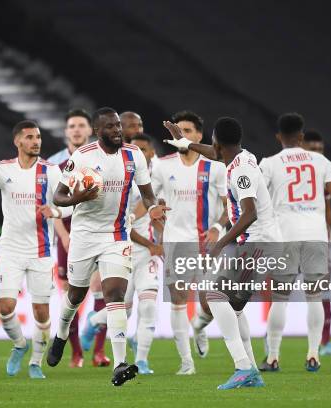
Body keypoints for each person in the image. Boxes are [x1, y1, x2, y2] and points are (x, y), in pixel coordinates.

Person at [47, 107, 168, 386]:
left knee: (115, 293)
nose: (117, 131)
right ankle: (62, 332)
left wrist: (154, 209)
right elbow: (58, 196)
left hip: (116, 235)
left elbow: (148, 196)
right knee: (75, 296)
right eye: (111, 127)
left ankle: (119, 362)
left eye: (118, 126)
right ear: (97, 130)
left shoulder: (134, 155)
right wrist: (78, 196)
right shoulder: (83, 156)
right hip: (84, 236)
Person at [163, 117, 282, 389]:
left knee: (214, 295)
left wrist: (220, 243)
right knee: (235, 308)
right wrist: (186, 142)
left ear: (217, 143)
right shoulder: (242, 157)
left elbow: (249, 213)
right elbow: (213, 153)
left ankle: (243, 367)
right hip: (258, 243)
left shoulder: (240, 173)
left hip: (257, 243)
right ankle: (251, 371)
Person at [0, 120, 71, 379]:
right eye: (30, 137)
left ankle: (35, 362)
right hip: (11, 251)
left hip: (41, 251)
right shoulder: (3, 169)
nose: (36, 141)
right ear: (18, 141)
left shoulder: (52, 171)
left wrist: (54, 210)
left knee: (41, 312)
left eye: (38, 137)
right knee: (5, 306)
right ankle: (20, 344)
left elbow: (71, 204)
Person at [258, 117, 331, 372]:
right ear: (301, 137)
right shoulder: (321, 161)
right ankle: (313, 354)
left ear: (279, 137)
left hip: (284, 235)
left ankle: (273, 357)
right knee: (315, 298)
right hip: (315, 235)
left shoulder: (269, 163)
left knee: (280, 299)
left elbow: (256, 200)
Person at [80, 133, 164, 375]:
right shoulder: (119, 176)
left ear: (150, 153)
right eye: (136, 148)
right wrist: (150, 243)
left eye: (144, 149)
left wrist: (161, 240)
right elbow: (128, 221)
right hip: (123, 249)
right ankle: (94, 322)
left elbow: (154, 214)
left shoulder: (154, 177)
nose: (139, 152)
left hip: (147, 253)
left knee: (148, 306)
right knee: (123, 309)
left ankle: (142, 360)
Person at [152, 111, 228, 375]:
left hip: (207, 243)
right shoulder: (162, 166)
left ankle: (198, 327)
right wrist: (157, 218)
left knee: (210, 303)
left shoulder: (215, 167)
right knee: (178, 299)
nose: (181, 136)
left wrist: (218, 227)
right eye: (178, 131)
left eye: (187, 131)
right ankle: (186, 362)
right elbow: (150, 202)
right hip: (176, 243)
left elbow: (230, 206)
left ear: (198, 136)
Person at [48, 109, 111, 368]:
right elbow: (51, 207)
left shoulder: (102, 159)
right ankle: (76, 353)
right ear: (66, 131)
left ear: (89, 130)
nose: (76, 130)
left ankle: (98, 352)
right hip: (68, 237)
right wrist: (64, 236)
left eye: (81, 125)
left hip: (99, 233)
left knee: (101, 290)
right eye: (71, 125)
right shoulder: (54, 165)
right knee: (72, 295)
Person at [302, 130, 331, 356]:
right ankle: (272, 345)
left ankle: (325, 341)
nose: (318, 153)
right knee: (278, 291)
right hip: (291, 239)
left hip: (318, 240)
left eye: (320, 149)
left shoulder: (322, 172)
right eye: (313, 149)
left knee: (322, 291)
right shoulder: (297, 174)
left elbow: (329, 210)